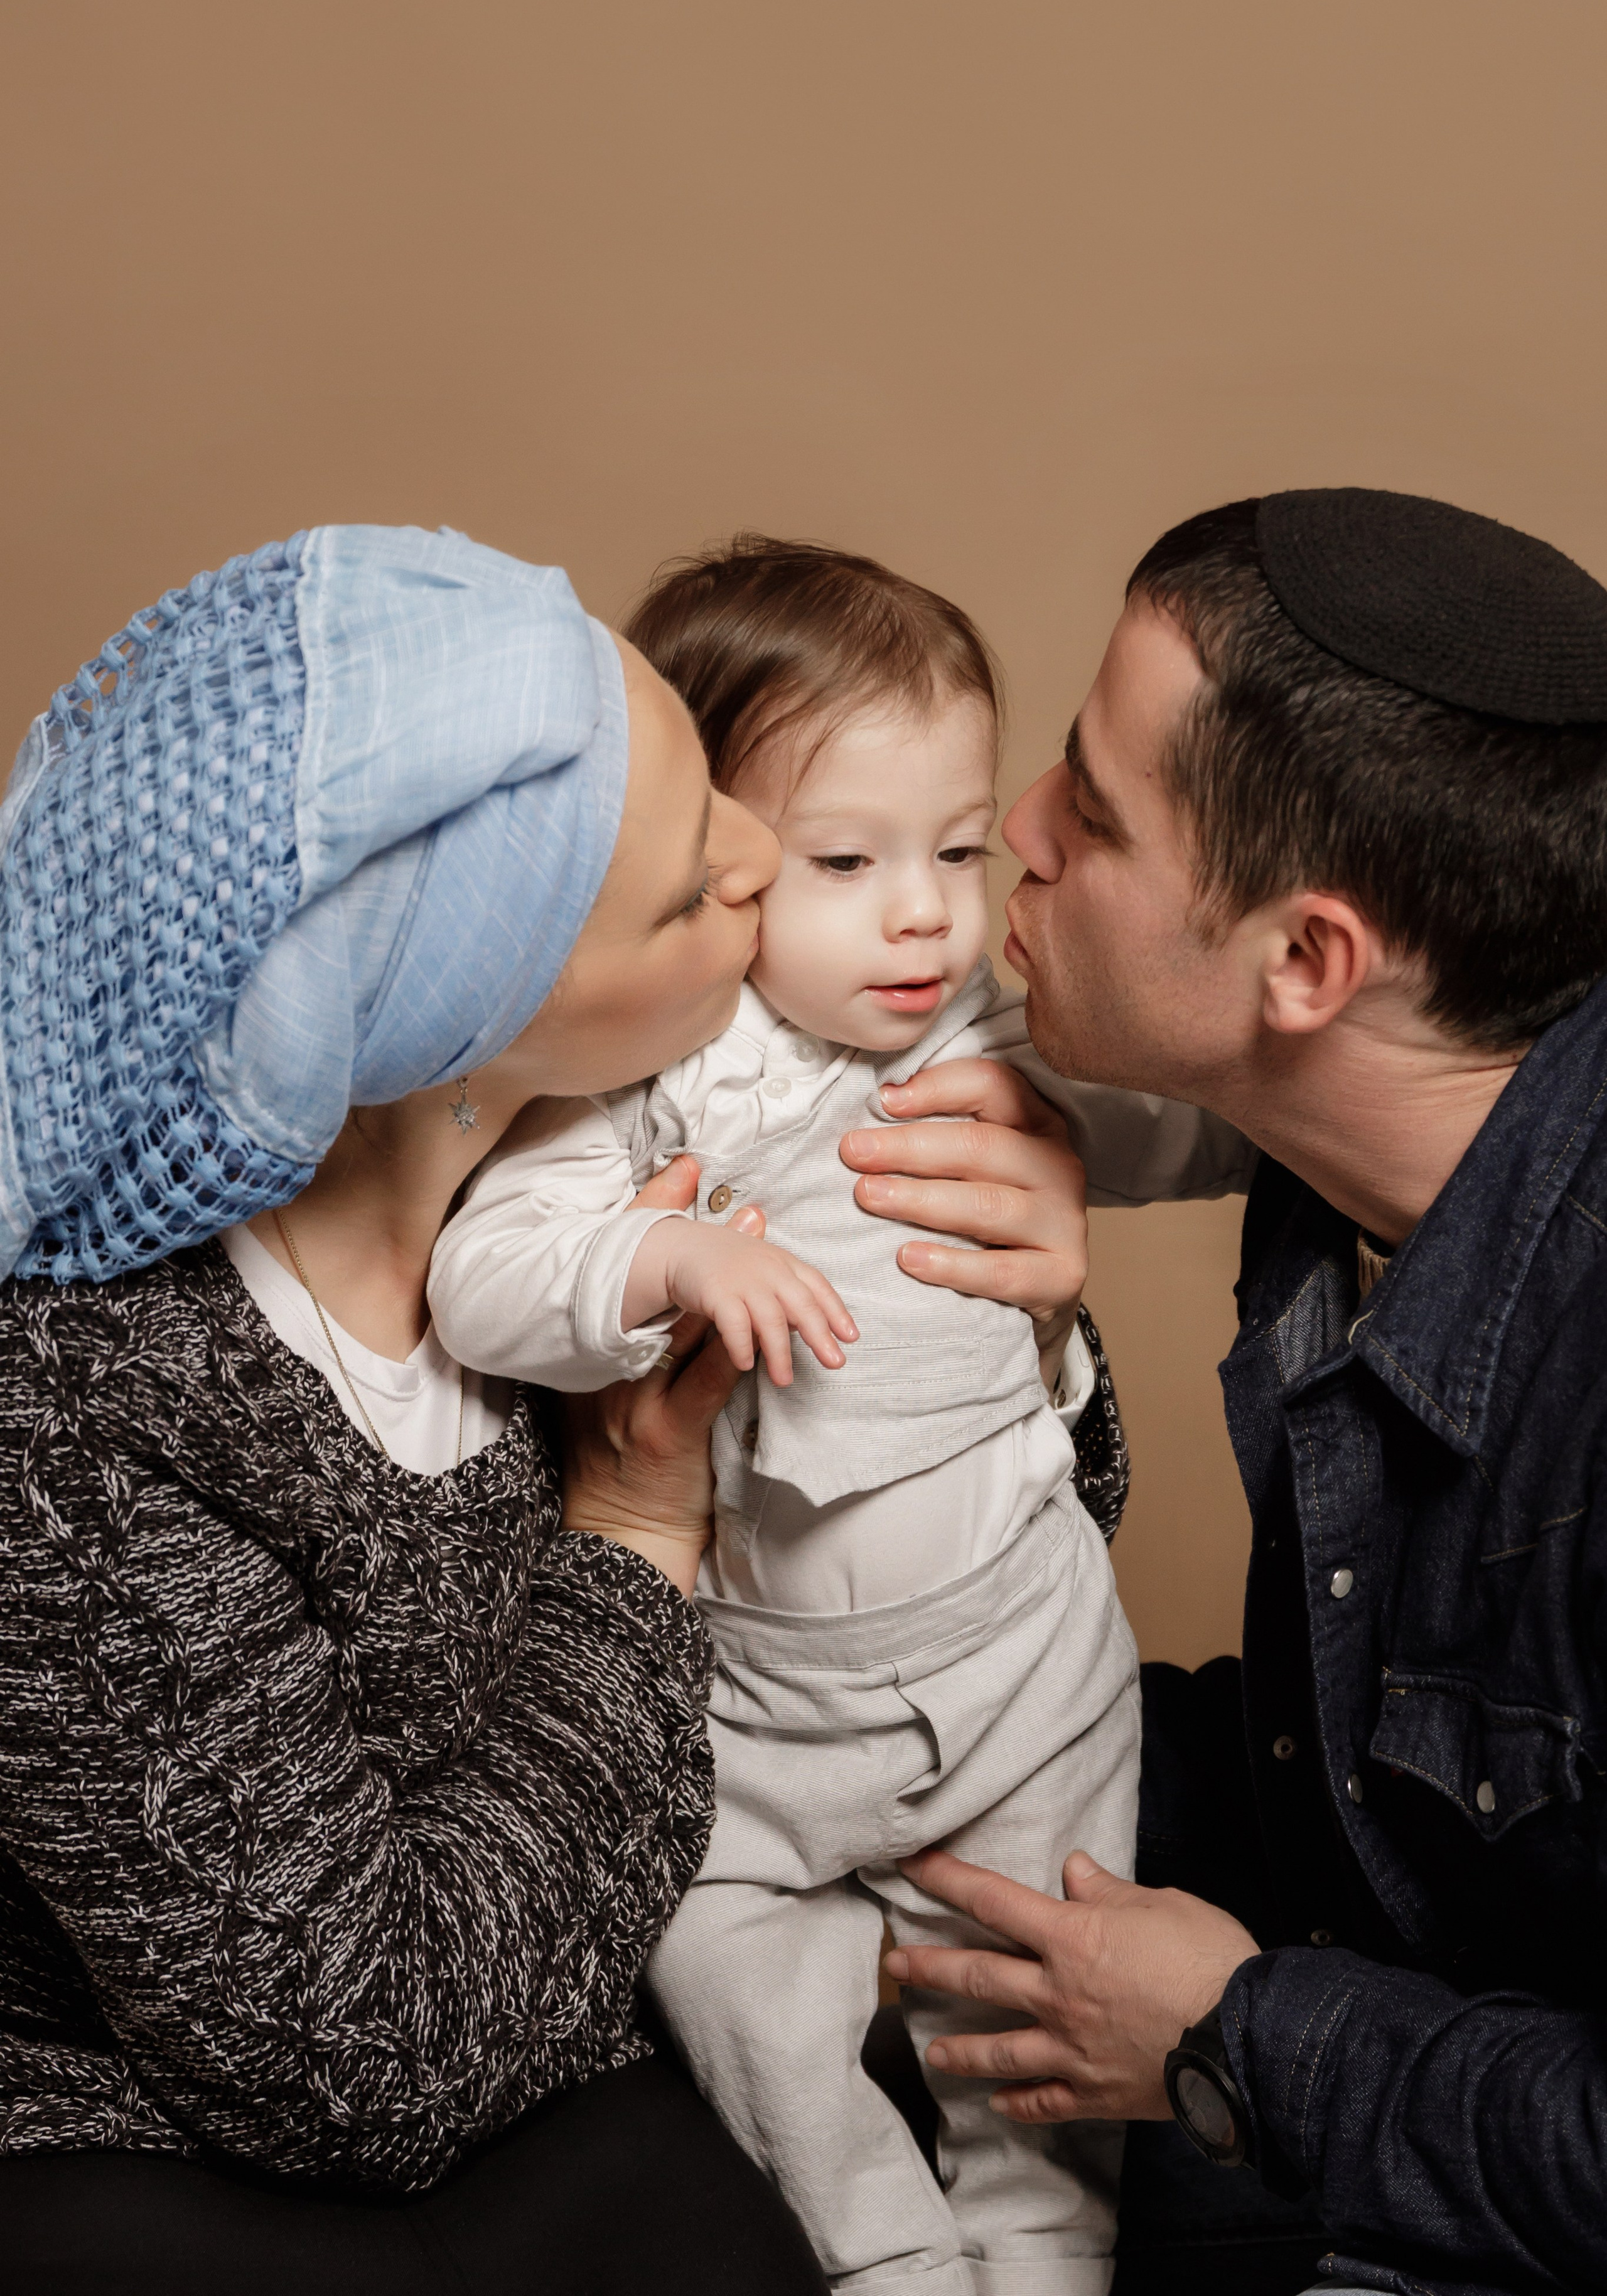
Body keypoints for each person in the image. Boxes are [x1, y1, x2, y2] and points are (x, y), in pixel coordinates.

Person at [0, 520, 820, 2295]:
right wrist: (629, 1531)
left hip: (554, 2026)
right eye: (688, 888)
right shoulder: (83, 1415)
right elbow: (362, 2056)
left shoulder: (623, 1161)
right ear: (466, 1025)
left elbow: (920, 1577)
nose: (767, 856)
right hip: (158, 2158)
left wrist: (1035, 1312)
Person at [428, 540, 1251, 2296]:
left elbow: (1214, 1116)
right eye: (847, 862)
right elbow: (486, 1275)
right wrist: (662, 1258)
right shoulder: (658, 1081)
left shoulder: (1004, 1045)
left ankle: (1042, 2258)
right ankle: (883, 2253)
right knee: (730, 1978)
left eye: (958, 851)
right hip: (764, 1723)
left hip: (1023, 1672)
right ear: (716, 866)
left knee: (1042, 2033)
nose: (924, 914)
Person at [878, 490, 1607, 2296]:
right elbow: (1362, 1785)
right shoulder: (1365, 1132)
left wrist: (1239, 2035)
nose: (1012, 838)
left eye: (1091, 813)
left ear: (1308, 961)